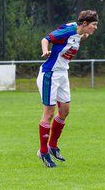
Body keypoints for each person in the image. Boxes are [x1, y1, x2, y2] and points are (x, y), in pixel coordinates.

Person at [36, 10, 99, 168]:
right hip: (50, 74)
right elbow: (46, 39)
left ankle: (52, 146)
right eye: (94, 25)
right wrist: (45, 51)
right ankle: (43, 152)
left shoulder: (79, 32)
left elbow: (81, 37)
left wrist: (83, 36)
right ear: (84, 24)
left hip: (62, 74)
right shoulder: (68, 31)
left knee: (64, 111)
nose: (95, 28)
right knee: (49, 113)